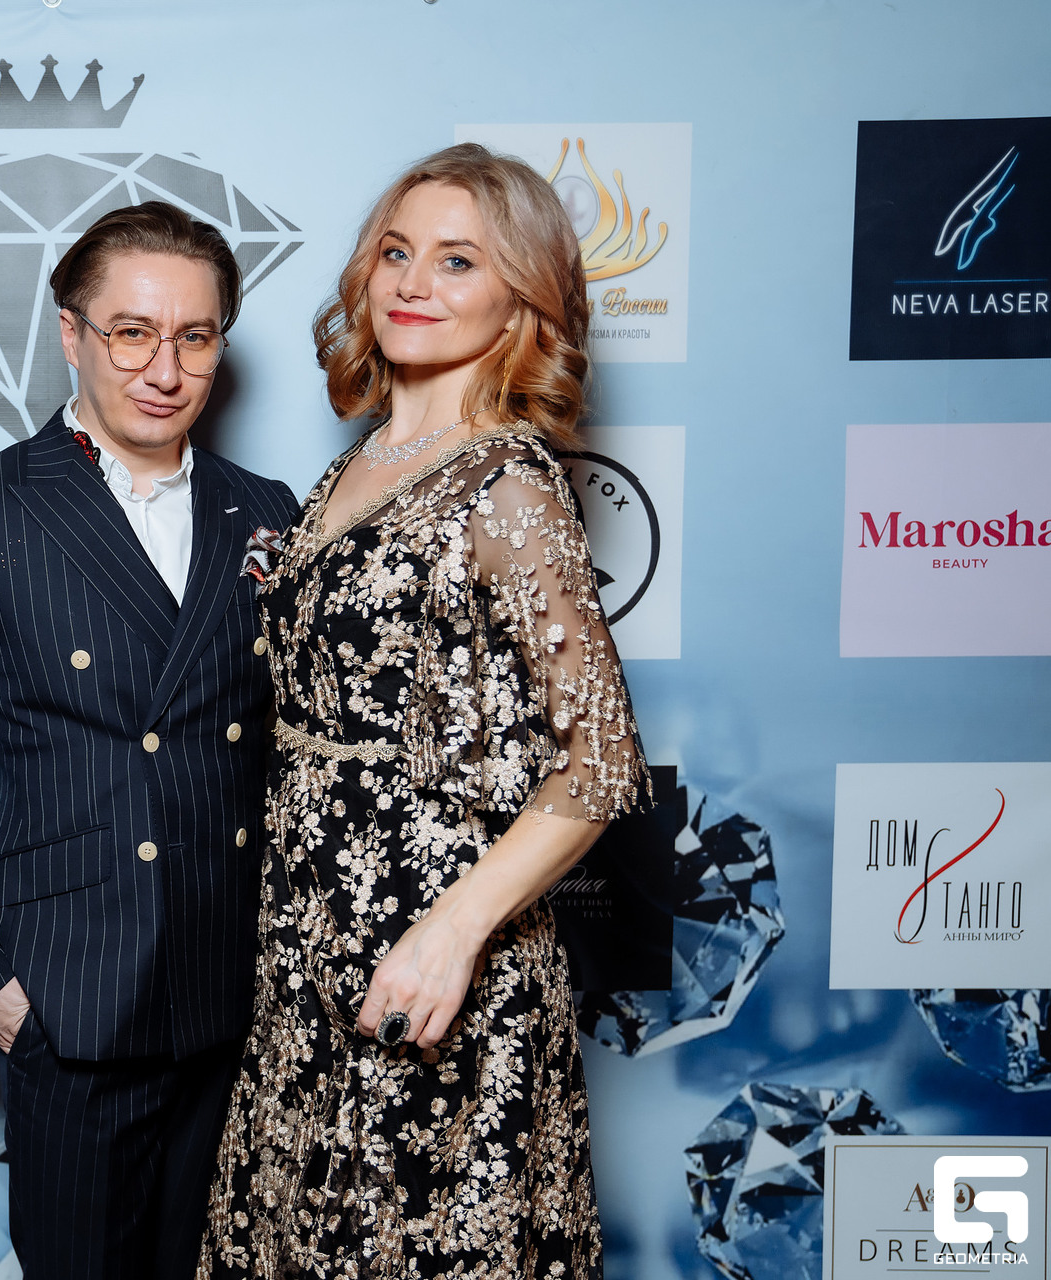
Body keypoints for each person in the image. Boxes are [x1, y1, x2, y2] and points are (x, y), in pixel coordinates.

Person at [201, 143, 650, 1278]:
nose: (412, 282)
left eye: (458, 261)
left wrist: (453, 933)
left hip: (433, 949)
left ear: (522, 298)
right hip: (307, 943)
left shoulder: (509, 484)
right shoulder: (359, 466)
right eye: (396, 252)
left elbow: (601, 764)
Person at [0, 201, 298, 1279]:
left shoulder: (268, 510)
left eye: (195, 336)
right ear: (72, 333)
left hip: (233, 1002)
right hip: (73, 1004)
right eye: (132, 333)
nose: (165, 369)